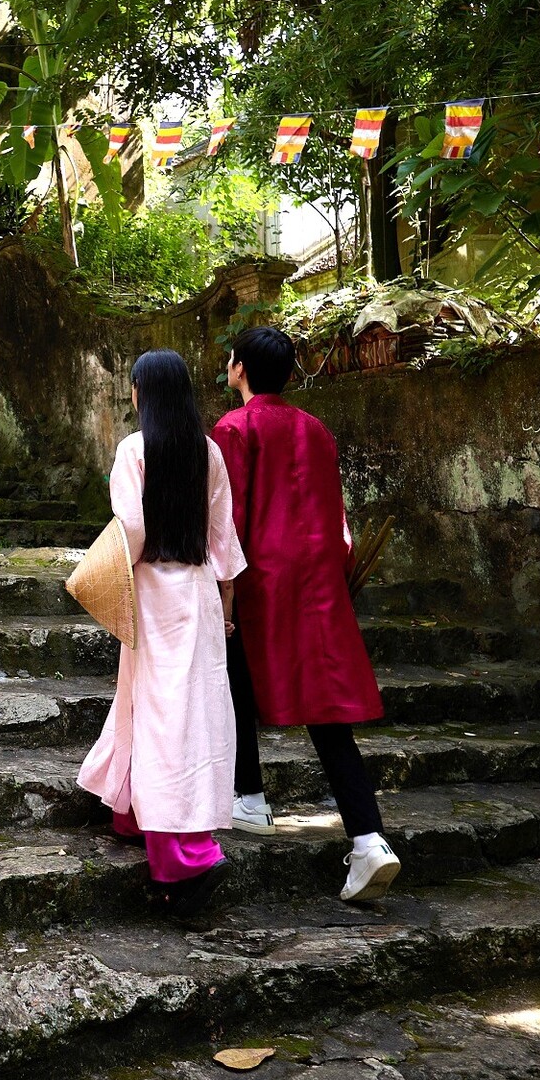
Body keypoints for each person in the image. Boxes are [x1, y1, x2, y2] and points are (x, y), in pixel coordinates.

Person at [212, 325, 400, 903]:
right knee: (325, 710)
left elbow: (230, 517)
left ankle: (250, 796)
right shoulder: (315, 428)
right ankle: (368, 839)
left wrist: (223, 587)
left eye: (230, 360)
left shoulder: (233, 428)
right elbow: (334, 510)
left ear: (240, 368)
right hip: (319, 575)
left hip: (262, 575)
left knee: (233, 669)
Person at [78, 349, 248, 911]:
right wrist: (227, 606)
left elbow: (131, 527)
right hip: (197, 593)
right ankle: (130, 812)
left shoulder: (134, 449)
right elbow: (223, 541)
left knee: (154, 711)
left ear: (141, 393)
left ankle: (186, 857)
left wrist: (100, 577)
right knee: (186, 713)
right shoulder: (210, 454)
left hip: (149, 592)